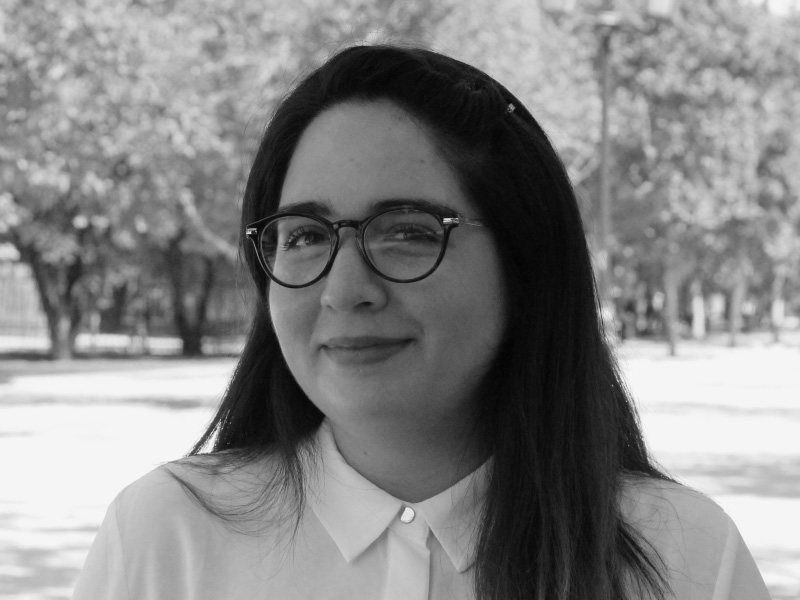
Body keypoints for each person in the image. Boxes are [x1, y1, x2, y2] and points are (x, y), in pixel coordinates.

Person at [73, 44, 771, 600]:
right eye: (306, 236)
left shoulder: (684, 557)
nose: (345, 290)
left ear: (524, 262)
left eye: (406, 231)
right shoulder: (167, 537)